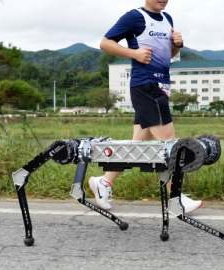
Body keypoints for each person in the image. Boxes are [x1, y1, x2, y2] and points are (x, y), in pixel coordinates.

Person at [89, 0, 203, 214]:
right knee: (169, 143)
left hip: (161, 85)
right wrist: (134, 54)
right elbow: (105, 42)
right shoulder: (134, 17)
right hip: (146, 86)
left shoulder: (167, 19)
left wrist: (177, 44)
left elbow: (167, 56)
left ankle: (104, 182)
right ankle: (175, 198)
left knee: (136, 144)